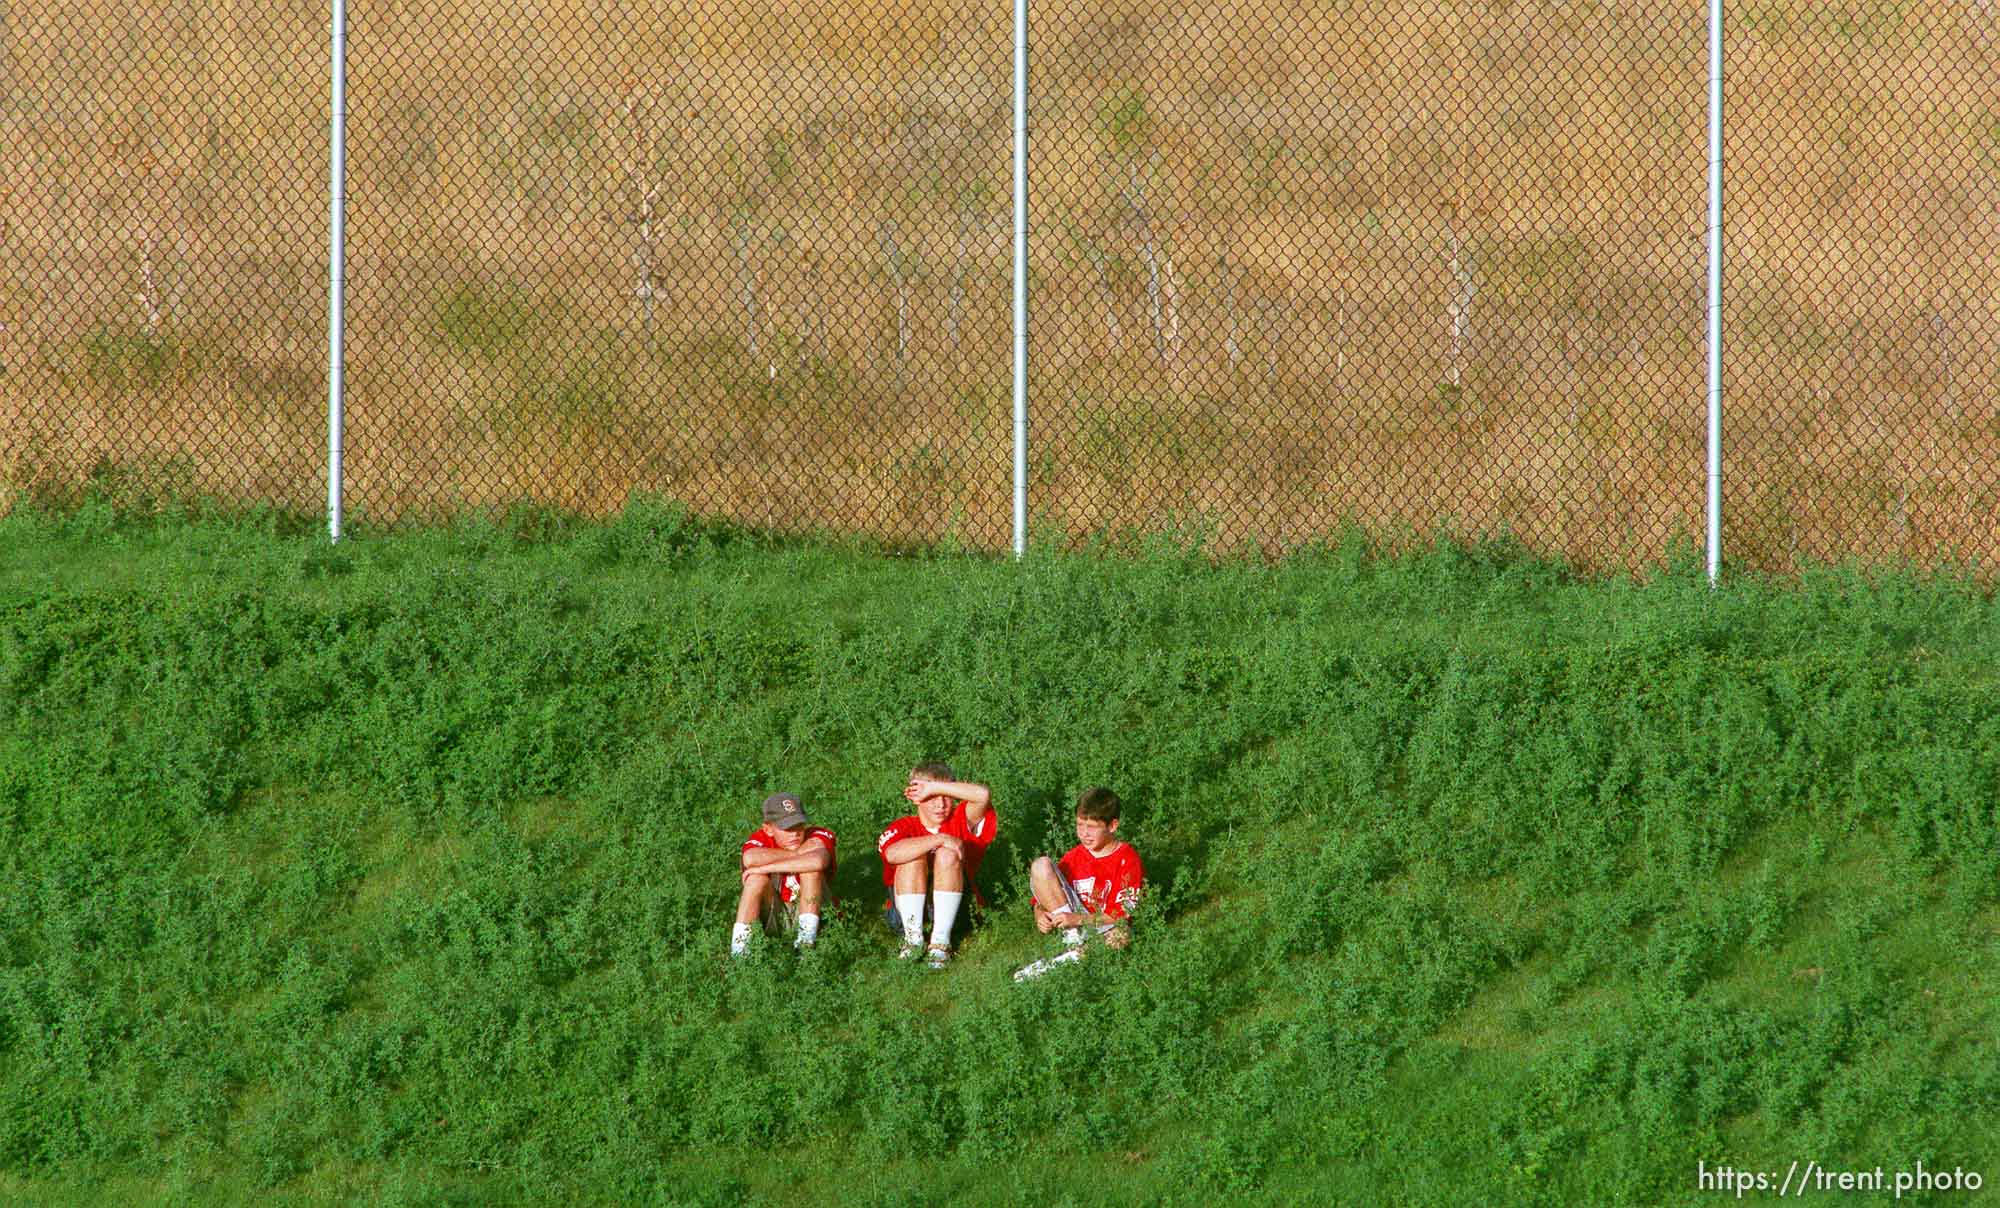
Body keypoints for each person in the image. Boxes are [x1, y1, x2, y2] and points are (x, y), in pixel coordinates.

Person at [1014, 787, 1144, 982]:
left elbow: (1120, 915)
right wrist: (1039, 913)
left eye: (1091, 826)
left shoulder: (1127, 859)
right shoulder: (1074, 856)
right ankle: (1073, 943)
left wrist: (1078, 919)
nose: (1084, 833)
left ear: (1112, 826)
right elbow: (1042, 896)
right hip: (1072, 926)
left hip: (1103, 925)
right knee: (1040, 865)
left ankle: (1059, 963)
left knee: (1121, 936)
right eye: (1080, 825)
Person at [875, 764, 997, 967]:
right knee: (912, 858)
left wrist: (934, 788)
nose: (940, 804)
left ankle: (941, 943)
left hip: (959, 913)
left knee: (947, 856)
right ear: (915, 797)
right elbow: (892, 854)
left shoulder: (960, 819)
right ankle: (913, 941)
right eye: (931, 797)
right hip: (905, 915)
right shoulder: (904, 826)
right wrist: (939, 839)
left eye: (945, 795)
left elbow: (982, 795)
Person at [732, 792, 835, 957]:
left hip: (818, 914)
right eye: (787, 827)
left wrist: (763, 868)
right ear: (768, 829)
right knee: (754, 881)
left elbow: (818, 861)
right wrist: (800, 854)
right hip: (778, 914)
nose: (794, 833)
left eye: (799, 825)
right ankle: (740, 954)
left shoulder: (817, 834)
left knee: (810, 871)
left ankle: (806, 945)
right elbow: (750, 858)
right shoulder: (761, 839)